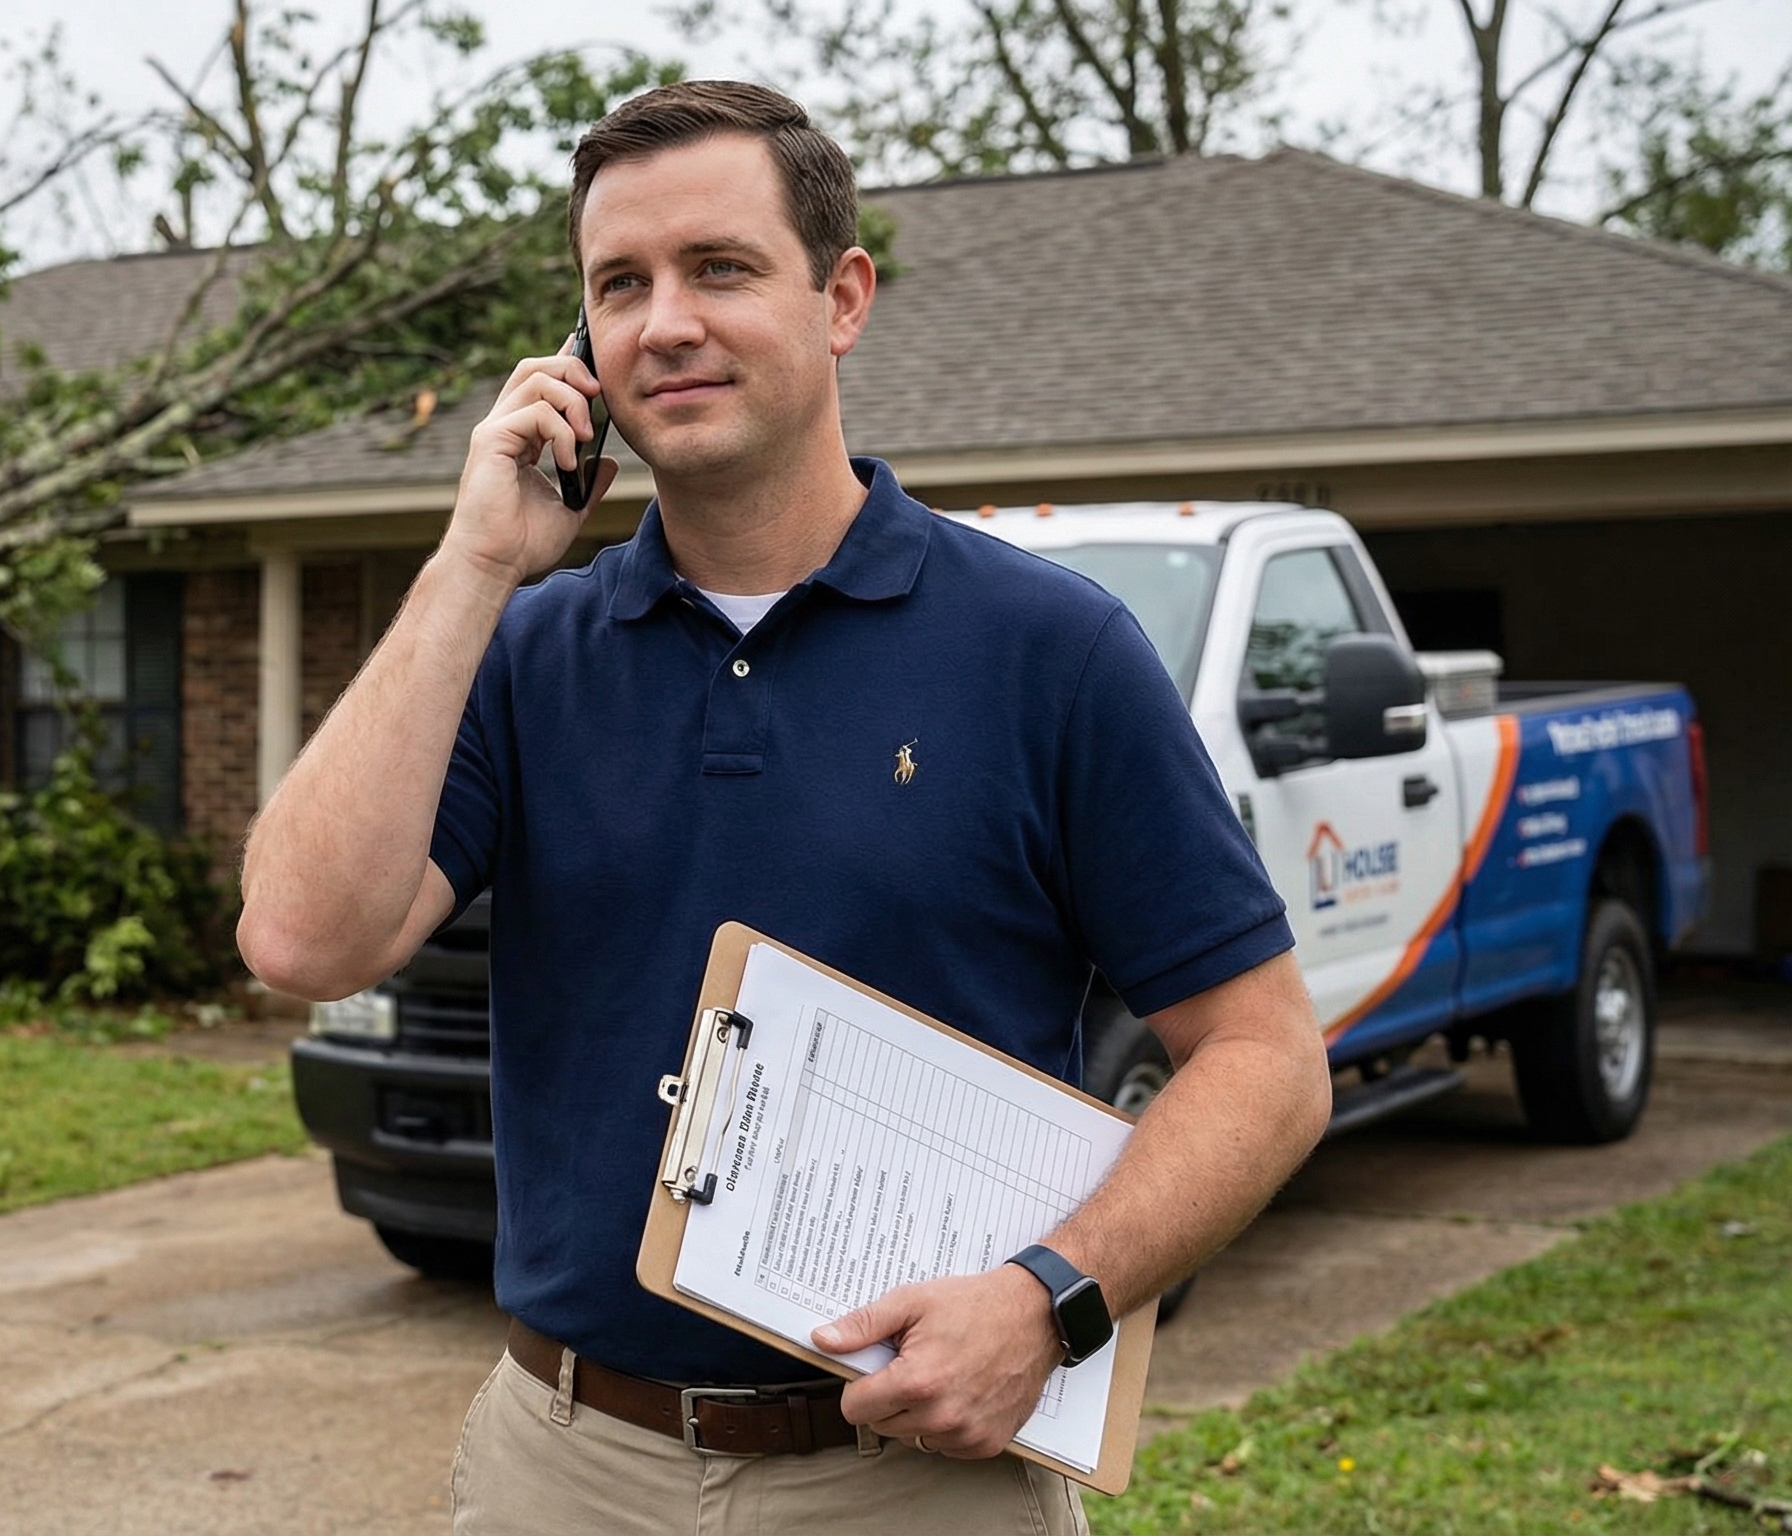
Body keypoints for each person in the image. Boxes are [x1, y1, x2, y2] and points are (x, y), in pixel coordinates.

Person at [237, 79, 1332, 1534]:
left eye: (721, 268)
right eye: (618, 285)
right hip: (567, 1463)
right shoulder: (522, 656)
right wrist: (473, 562)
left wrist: (1049, 1303)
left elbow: (1264, 1058)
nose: (664, 322)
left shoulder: (1048, 653)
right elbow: (300, 940)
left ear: (843, 298)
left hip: (919, 1481)